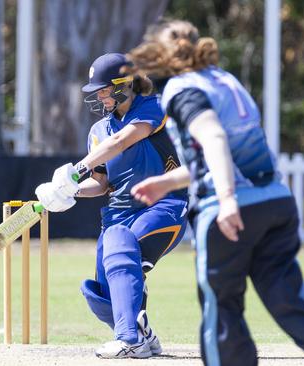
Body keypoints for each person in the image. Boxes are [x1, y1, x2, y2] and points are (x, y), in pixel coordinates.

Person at [126, 19, 304, 366]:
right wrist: (167, 182)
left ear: (162, 54)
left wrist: (227, 201)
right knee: (285, 295)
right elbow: (221, 155)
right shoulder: (226, 80)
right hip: (276, 202)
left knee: (221, 306)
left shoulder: (183, 89)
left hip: (231, 210)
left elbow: (214, 139)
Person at [35, 53, 189, 359]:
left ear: (124, 84)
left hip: (163, 206)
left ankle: (129, 339)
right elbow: (102, 184)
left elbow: (121, 142)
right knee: (100, 295)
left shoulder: (152, 107)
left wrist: (76, 170)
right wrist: (69, 192)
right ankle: (143, 334)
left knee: (119, 243)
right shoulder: (97, 132)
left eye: (104, 89)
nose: (100, 96)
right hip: (118, 214)